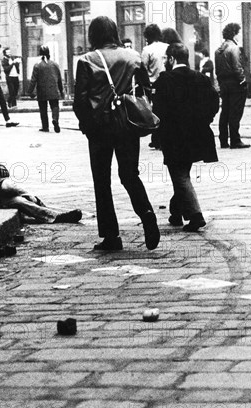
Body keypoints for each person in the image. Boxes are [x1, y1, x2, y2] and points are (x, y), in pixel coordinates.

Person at [73, 16, 160, 251]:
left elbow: (80, 100)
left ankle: (111, 236)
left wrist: (86, 124)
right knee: (130, 174)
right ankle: (147, 213)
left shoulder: (88, 60)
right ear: (114, 32)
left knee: (102, 181)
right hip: (128, 124)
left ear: (93, 35)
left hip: (100, 127)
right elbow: (145, 90)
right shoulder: (133, 56)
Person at [153, 43, 219, 232]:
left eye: (166, 58)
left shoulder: (166, 80)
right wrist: (205, 119)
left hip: (174, 135)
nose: (164, 61)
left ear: (172, 59)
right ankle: (176, 211)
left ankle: (196, 216)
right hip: (197, 134)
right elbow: (215, 101)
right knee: (182, 172)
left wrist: (157, 134)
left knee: (179, 174)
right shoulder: (200, 78)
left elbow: (157, 111)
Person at [215, 23, 251, 149]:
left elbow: (217, 70)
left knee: (225, 111)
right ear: (234, 33)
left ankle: (223, 140)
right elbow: (237, 67)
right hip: (235, 83)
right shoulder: (234, 48)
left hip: (224, 83)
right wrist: (243, 80)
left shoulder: (219, 49)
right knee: (235, 112)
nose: (240, 35)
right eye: (239, 32)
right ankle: (235, 140)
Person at [141, 24, 168, 150]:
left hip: (153, 84)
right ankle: (164, 137)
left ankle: (156, 139)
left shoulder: (147, 50)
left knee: (155, 111)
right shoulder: (167, 47)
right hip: (167, 82)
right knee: (166, 110)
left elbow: (143, 68)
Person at [27, 45, 64, 133]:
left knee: (43, 108)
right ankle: (55, 119)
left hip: (42, 90)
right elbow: (59, 79)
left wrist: (30, 92)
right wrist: (61, 91)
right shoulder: (55, 64)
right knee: (55, 106)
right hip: (53, 89)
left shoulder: (37, 65)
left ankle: (45, 127)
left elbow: (33, 80)